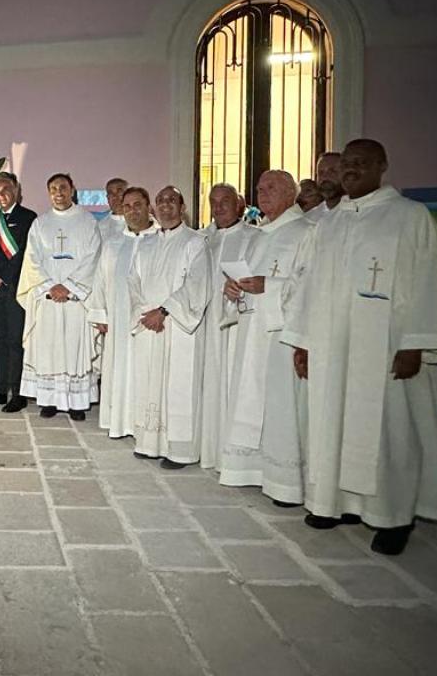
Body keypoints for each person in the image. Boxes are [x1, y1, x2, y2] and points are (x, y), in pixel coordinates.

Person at [282, 139, 437, 556]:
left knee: (389, 430)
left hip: (386, 349)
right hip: (331, 348)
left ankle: (393, 516)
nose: (351, 169)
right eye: (346, 163)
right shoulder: (329, 223)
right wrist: (303, 342)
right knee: (332, 422)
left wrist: (415, 343)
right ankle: (336, 503)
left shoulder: (409, 216)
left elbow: (429, 280)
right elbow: (307, 284)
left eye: (361, 162)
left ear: (382, 165)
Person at [220, 171, 315, 503]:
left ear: (291, 192)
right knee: (250, 396)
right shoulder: (259, 235)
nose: (263, 193)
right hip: (251, 332)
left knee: (280, 404)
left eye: (271, 188)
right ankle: (250, 470)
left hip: (282, 336)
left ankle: (285, 482)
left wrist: (269, 287)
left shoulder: (306, 231)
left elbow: (311, 285)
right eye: (260, 189)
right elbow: (246, 278)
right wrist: (233, 290)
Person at [129, 186, 210, 468]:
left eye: (172, 200)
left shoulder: (195, 242)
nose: (165, 205)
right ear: (154, 207)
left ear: (182, 206)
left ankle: (179, 450)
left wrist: (164, 311)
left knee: (178, 386)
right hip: (149, 325)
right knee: (149, 382)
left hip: (177, 326)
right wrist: (145, 312)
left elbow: (198, 283)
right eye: (161, 201)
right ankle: (149, 443)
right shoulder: (146, 244)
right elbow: (133, 282)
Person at [17, 173, 102, 421]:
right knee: (49, 347)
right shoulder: (40, 224)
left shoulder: (88, 221)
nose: (58, 193)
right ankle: (49, 400)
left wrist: (69, 287)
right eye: (53, 189)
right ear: (48, 193)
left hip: (75, 300)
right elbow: (31, 259)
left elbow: (93, 257)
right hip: (48, 299)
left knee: (74, 347)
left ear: (72, 189)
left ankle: (77, 403)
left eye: (63, 187)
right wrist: (50, 286)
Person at [87, 187, 160, 439]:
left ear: (148, 206)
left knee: (146, 372)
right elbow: (100, 280)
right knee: (120, 369)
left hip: (149, 324)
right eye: (127, 206)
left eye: (137, 205)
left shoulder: (160, 240)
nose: (132, 211)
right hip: (118, 322)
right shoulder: (113, 244)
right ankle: (120, 422)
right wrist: (100, 314)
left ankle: (145, 425)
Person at [197, 184, 261, 469]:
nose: (219, 207)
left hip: (234, 325)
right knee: (206, 385)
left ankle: (231, 456)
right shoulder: (202, 239)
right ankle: (207, 448)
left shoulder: (254, 237)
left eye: (226, 201)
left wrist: (237, 291)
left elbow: (259, 279)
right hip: (203, 323)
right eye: (214, 202)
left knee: (231, 385)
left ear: (240, 205)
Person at [0, 173, 37, 413]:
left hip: (16, 289)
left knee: (15, 341)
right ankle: (0, 390)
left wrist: (2, 279)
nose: (1, 194)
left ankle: (18, 392)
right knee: (0, 340)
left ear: (17, 190)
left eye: (6, 189)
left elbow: (24, 254)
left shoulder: (29, 218)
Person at [308, 151, 344, 221]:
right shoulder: (309, 219)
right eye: (320, 172)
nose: (325, 177)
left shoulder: (359, 213)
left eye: (332, 171)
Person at [96, 177, 129, 244]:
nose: (115, 197)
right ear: (107, 198)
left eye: (119, 192)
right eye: (111, 193)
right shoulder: (100, 227)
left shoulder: (142, 222)